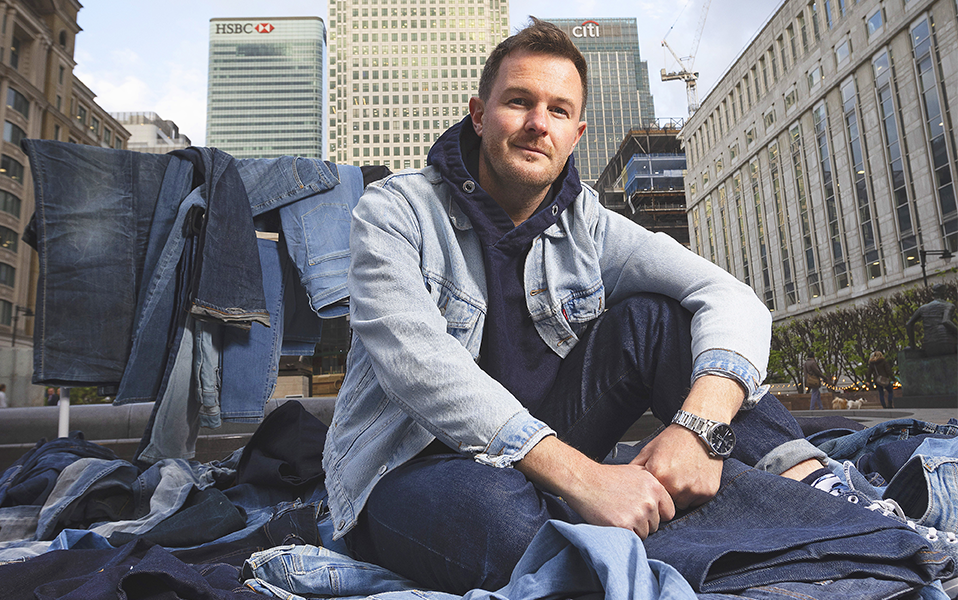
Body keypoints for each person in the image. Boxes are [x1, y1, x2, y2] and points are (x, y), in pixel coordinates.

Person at [323, 18, 825, 594]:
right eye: (519, 102)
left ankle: (815, 486)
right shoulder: (395, 210)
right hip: (408, 465)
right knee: (503, 515)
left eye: (559, 111)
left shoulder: (587, 222)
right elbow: (420, 364)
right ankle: (656, 544)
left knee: (657, 320)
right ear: (479, 114)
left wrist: (698, 429)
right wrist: (584, 477)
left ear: (577, 132)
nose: (539, 124)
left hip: (552, 447)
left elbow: (730, 297)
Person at [906, 283, 958, 356]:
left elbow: (909, 324)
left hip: (929, 345)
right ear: (943, 294)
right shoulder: (948, 305)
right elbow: (946, 321)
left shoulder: (922, 308)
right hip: (947, 343)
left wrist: (912, 346)